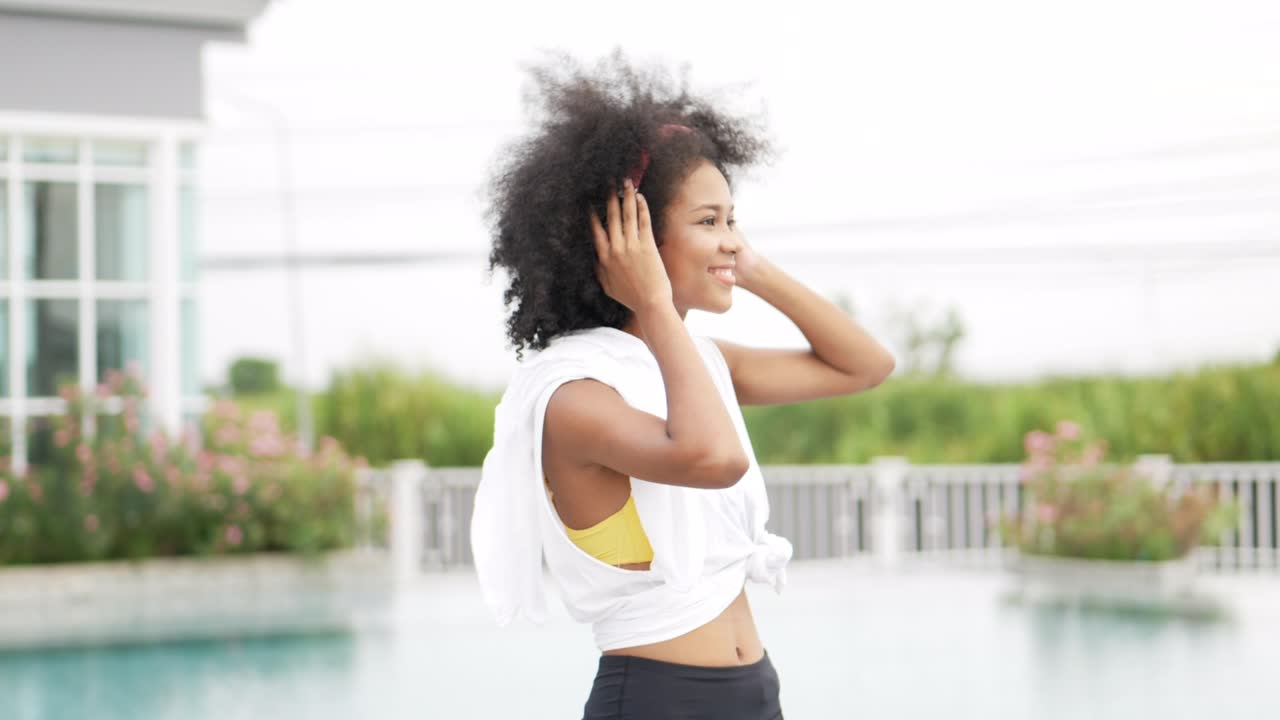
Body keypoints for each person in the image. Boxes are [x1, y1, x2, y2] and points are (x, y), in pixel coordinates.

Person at [471, 52, 896, 720]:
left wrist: (747, 265)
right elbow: (714, 459)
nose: (730, 240)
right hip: (658, 698)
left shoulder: (701, 362)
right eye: (707, 222)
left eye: (733, 219)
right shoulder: (575, 397)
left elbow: (866, 367)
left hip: (754, 689)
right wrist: (656, 303)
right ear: (628, 238)